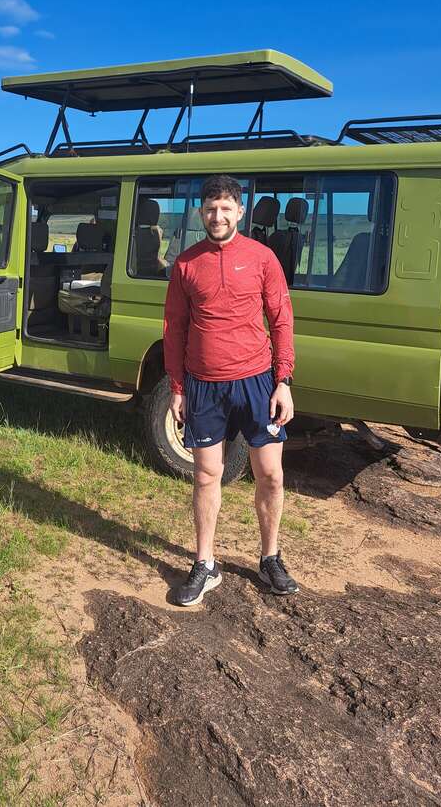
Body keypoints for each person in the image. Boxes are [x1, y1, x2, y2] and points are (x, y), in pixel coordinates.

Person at [163, 174, 298, 605]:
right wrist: (178, 388)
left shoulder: (262, 258)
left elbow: (281, 319)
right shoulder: (186, 264)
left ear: (240, 211)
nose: (217, 216)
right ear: (200, 213)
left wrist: (283, 381)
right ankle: (205, 564)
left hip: (257, 383)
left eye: (225, 208)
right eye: (210, 209)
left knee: (271, 474)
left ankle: (270, 558)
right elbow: (174, 329)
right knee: (206, 475)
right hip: (204, 386)